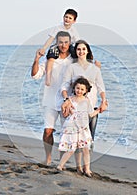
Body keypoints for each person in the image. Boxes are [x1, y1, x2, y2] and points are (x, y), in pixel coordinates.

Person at [61, 39, 108, 173]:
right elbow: (64, 85)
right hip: (76, 109)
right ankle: (79, 167)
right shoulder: (71, 67)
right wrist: (66, 100)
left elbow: (101, 87)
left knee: (89, 139)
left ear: (88, 51)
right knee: (77, 138)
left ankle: (87, 167)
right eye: (78, 49)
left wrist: (103, 101)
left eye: (83, 49)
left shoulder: (95, 68)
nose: (81, 51)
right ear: (76, 52)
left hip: (91, 108)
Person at [31, 31, 73, 166]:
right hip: (50, 100)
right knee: (48, 130)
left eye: (66, 42)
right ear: (56, 43)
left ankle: (62, 162)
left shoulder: (73, 59)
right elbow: (35, 75)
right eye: (61, 42)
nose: (63, 45)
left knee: (65, 133)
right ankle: (48, 158)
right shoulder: (50, 59)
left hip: (67, 101)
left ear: (70, 42)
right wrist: (36, 59)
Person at [57, 77, 99, 177]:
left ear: (86, 91)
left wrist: (99, 110)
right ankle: (60, 165)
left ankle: (87, 169)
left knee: (85, 148)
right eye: (77, 88)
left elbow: (90, 114)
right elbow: (66, 114)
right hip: (72, 127)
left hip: (83, 128)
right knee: (71, 149)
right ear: (74, 88)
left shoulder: (87, 100)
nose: (79, 91)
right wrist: (67, 111)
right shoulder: (70, 100)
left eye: (82, 89)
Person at [39, 9, 79, 86]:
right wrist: (43, 48)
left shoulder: (74, 30)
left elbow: (78, 42)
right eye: (66, 17)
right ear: (63, 17)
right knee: (51, 57)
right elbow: (50, 39)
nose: (67, 19)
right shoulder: (58, 28)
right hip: (57, 46)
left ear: (74, 21)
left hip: (68, 47)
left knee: (75, 56)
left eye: (70, 18)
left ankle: (74, 77)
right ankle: (48, 78)